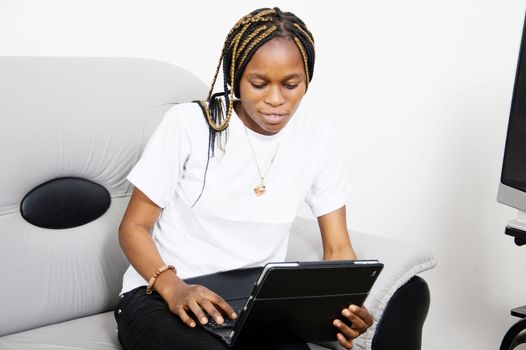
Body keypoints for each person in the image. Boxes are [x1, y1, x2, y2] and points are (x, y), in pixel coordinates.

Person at [115, 7, 374, 350]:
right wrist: (174, 287)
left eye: (291, 84)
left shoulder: (318, 138)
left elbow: (338, 246)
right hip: (158, 296)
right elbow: (133, 227)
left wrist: (350, 305)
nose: (276, 99)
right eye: (259, 83)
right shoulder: (189, 125)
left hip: (252, 303)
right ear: (237, 77)